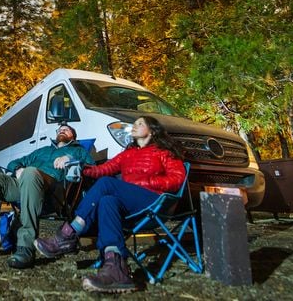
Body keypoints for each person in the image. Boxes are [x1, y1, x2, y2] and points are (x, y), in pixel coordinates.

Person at [34, 116, 186, 294]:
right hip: (131, 206)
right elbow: (101, 170)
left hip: (155, 201)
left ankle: (68, 233)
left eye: (140, 123)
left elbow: (177, 179)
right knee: (108, 201)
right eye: (134, 123)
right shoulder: (127, 153)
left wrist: (148, 183)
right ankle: (116, 268)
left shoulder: (163, 152)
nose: (134, 126)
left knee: (107, 184)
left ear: (151, 131)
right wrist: (79, 167)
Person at [0, 124, 95, 269]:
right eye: (59, 130)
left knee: (30, 173)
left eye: (66, 130)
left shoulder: (78, 151)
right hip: (24, 185)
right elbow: (13, 163)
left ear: (73, 135)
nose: (62, 131)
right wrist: (17, 169)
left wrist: (70, 158)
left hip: (53, 191)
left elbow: (91, 167)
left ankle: (25, 246)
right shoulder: (43, 151)